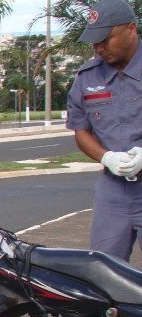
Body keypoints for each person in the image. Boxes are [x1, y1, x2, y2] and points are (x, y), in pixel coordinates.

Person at [66, 0, 142, 261]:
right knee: (103, 270)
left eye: (106, 39)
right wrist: (106, 157)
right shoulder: (88, 77)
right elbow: (81, 131)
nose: (99, 48)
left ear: (131, 29)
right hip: (114, 190)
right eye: (94, 42)